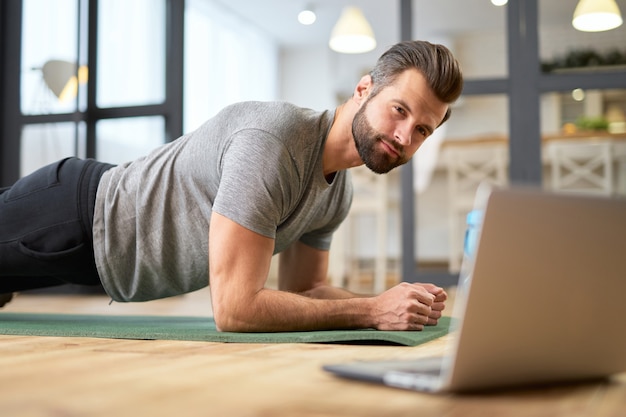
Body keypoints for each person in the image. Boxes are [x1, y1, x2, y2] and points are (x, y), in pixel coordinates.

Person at [0, 40, 463, 332]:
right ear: (364, 90)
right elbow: (236, 309)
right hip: (76, 212)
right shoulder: (274, 142)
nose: (405, 137)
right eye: (400, 110)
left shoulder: (337, 192)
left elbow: (307, 291)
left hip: (94, 262)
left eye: (423, 129)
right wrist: (369, 312)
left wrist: (389, 304)